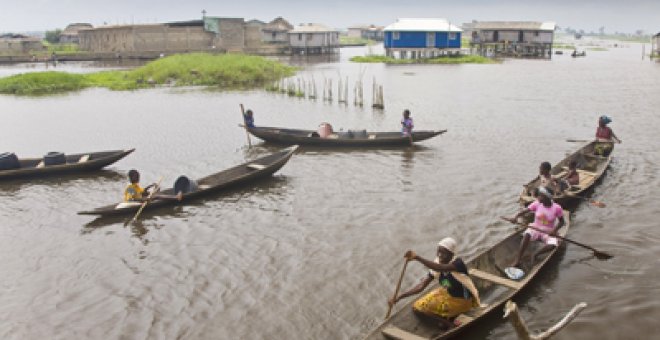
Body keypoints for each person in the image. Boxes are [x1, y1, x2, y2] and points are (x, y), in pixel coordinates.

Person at [388, 238, 481, 330]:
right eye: (438, 252)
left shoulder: (458, 264)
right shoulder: (437, 263)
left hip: (463, 301)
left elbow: (439, 268)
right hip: (449, 294)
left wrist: (417, 258)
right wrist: (399, 297)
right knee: (418, 306)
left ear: (452, 254)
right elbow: (421, 286)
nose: (440, 255)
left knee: (425, 308)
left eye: (444, 253)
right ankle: (448, 319)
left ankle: (450, 324)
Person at [506, 186, 565, 268]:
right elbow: (524, 211)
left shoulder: (557, 208)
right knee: (527, 234)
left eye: (540, 195)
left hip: (548, 230)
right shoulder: (537, 203)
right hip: (535, 227)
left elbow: (562, 222)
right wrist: (515, 217)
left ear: (546, 197)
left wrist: (554, 230)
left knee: (554, 244)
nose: (538, 197)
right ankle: (518, 259)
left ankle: (536, 254)